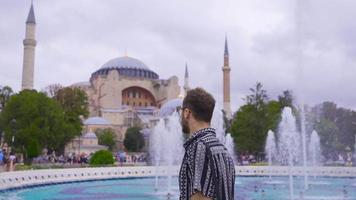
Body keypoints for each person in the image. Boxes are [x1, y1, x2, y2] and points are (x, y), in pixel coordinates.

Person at [178, 88, 235, 200]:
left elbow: (201, 197)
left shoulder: (198, 146)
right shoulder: (222, 149)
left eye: (181, 110)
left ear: (187, 113)